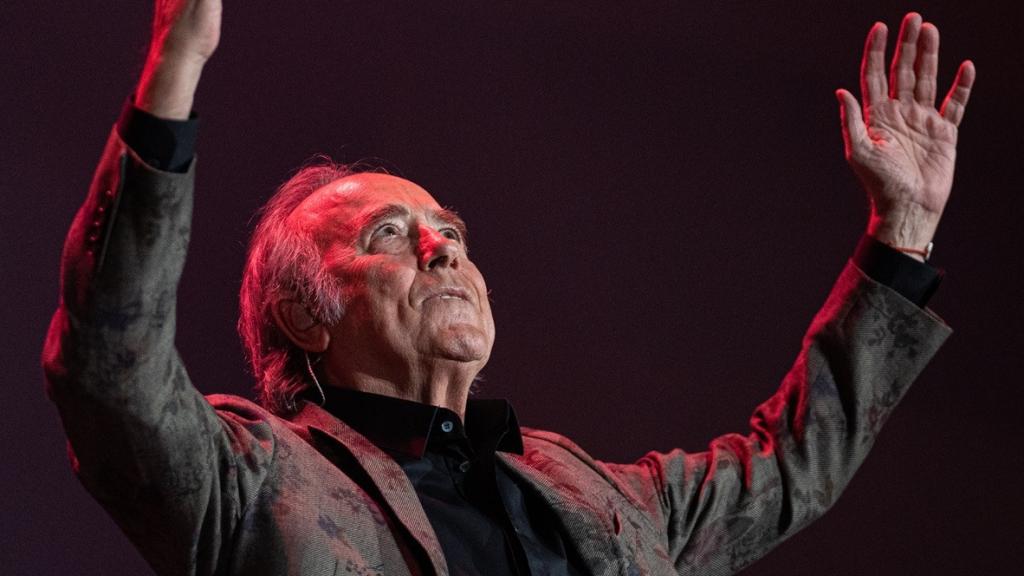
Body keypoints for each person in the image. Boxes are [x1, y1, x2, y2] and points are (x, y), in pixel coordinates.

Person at [42, 2, 974, 575]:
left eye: (451, 229)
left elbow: (790, 469)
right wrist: (173, 78)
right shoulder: (252, 484)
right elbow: (109, 372)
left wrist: (902, 235)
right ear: (302, 317)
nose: (442, 247)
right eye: (389, 237)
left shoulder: (598, 494)